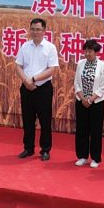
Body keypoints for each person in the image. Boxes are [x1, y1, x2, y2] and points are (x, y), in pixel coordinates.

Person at [15, 16, 61, 158]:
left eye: (38, 29)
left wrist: (33, 79)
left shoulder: (50, 48)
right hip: (26, 88)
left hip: (43, 89)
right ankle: (28, 148)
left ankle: (45, 149)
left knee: (45, 120)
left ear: (44, 31)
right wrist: (26, 81)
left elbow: (52, 69)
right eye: (33, 29)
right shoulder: (24, 46)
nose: (35, 32)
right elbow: (18, 66)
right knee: (28, 119)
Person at [69, 38, 104, 167]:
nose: (87, 54)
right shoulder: (80, 63)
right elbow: (76, 82)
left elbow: (102, 87)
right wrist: (83, 98)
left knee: (95, 130)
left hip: (96, 103)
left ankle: (95, 158)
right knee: (81, 129)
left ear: (96, 52)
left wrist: (90, 100)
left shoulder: (103, 66)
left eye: (90, 51)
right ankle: (82, 156)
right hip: (81, 101)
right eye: (85, 51)